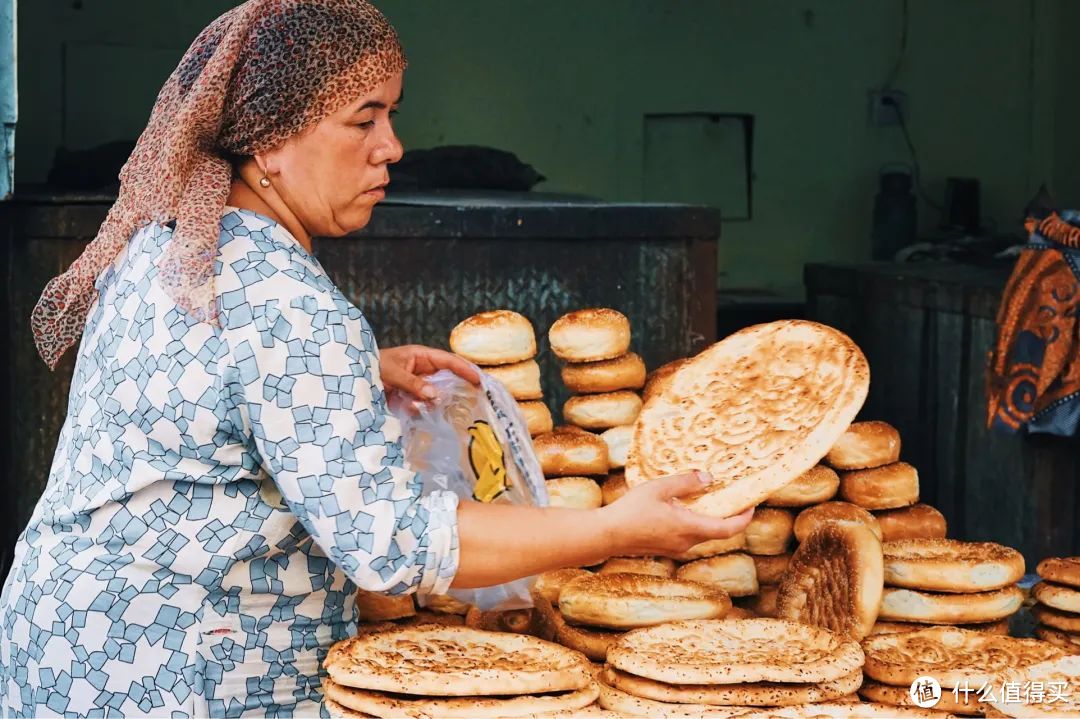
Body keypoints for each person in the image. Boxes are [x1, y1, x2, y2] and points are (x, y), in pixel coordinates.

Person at [0, 1, 753, 716]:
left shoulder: (176, 239)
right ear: (268, 139)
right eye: (364, 119)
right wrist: (615, 530)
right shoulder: (292, 308)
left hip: (67, 638)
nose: (392, 145)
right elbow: (393, 542)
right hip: (179, 671)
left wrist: (357, 370)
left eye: (391, 114)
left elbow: (210, 381)